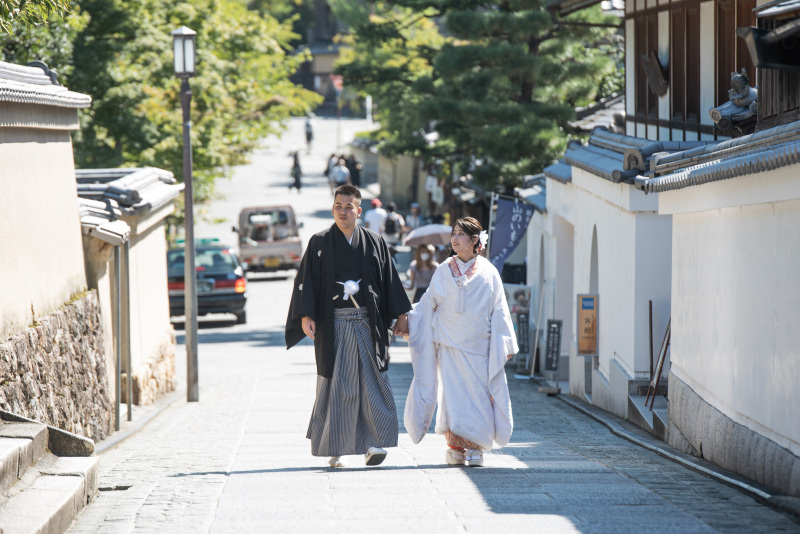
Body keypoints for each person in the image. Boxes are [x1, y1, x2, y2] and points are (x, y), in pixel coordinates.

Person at [285, 185, 412, 468]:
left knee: (372, 383)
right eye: (339, 206)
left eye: (349, 207)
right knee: (338, 385)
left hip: (368, 323)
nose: (344, 211)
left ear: (359, 210)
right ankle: (335, 448)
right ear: (333, 209)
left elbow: (389, 279)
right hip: (335, 325)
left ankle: (372, 443)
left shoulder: (374, 241)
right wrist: (306, 315)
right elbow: (305, 280)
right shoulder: (319, 242)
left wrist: (402, 314)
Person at [402, 217, 517, 468]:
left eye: (461, 235)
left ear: (475, 240)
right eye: (453, 234)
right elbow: (427, 303)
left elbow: (500, 309)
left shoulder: (489, 272)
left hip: (479, 345)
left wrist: (505, 342)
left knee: (478, 395)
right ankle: (455, 446)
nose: (454, 239)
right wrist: (407, 320)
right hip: (450, 346)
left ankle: (476, 447)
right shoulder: (443, 269)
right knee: (452, 396)